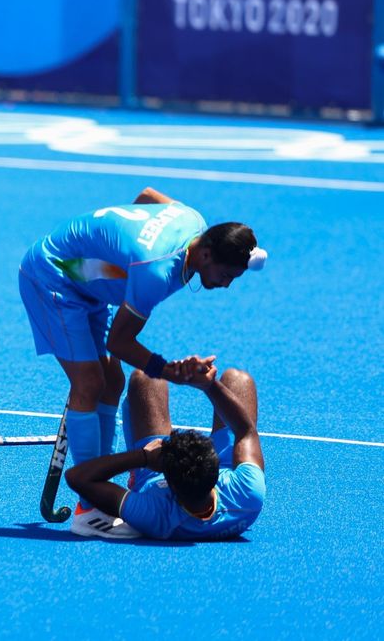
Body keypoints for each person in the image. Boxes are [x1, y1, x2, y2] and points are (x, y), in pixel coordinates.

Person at [18, 186, 264, 537]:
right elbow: (119, 343)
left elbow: (148, 196)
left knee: (112, 382)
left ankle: (97, 479)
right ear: (206, 254)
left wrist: (123, 256)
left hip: (88, 279)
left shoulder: (193, 220)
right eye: (226, 275)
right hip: (54, 275)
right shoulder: (156, 273)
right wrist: (171, 372)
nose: (225, 285)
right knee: (89, 383)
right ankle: (89, 510)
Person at [65, 359, 265, 540]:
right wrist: (210, 385)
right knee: (238, 379)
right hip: (196, 482)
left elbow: (77, 477)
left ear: (170, 484)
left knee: (146, 378)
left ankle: (138, 474)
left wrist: (143, 457)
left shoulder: (154, 514)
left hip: (151, 474)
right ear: (216, 470)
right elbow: (246, 431)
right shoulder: (247, 494)